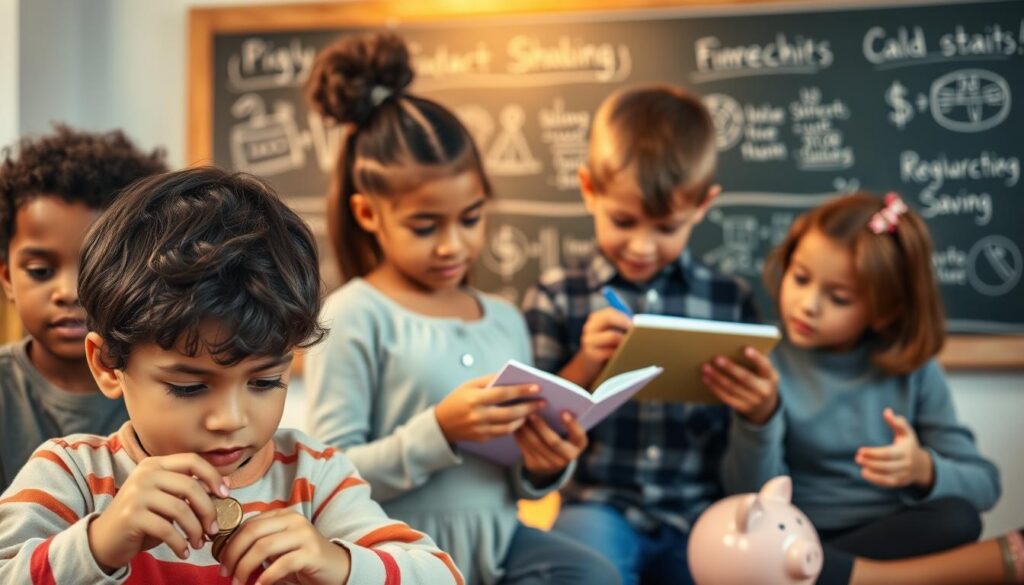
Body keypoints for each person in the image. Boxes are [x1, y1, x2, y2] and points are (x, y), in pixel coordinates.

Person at [0, 167, 463, 585]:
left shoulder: (312, 479)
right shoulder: (73, 476)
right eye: (189, 386)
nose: (230, 419)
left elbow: (440, 575)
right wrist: (100, 544)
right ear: (107, 365)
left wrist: (339, 564)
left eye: (264, 382)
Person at [302, 32, 618, 585]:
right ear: (368, 214)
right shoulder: (355, 314)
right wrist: (440, 432)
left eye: (471, 218)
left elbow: (517, 482)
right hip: (396, 555)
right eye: (425, 227)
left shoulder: (503, 318)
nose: (453, 245)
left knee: (594, 575)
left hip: (499, 545)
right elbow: (327, 476)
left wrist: (545, 466)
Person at [522, 84, 760, 585]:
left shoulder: (729, 301)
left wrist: (758, 405)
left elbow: (744, 443)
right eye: (623, 221)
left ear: (702, 207)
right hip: (597, 504)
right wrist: (586, 364)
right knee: (579, 570)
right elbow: (530, 429)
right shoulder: (556, 295)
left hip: (701, 511)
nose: (642, 245)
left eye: (666, 227)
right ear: (589, 190)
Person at [715, 192, 1001, 585]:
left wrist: (923, 469)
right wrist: (758, 419)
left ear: (885, 311)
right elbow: (745, 496)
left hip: (883, 536)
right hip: (794, 536)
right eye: (800, 278)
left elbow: (985, 486)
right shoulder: (765, 362)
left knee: (958, 518)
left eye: (839, 298)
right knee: (748, 544)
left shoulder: (915, 371)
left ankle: (832, 575)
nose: (807, 305)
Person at [0, 124, 166, 491]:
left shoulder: (176, 383)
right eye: (41, 271)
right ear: (8, 279)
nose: (70, 292)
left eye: (98, 269)